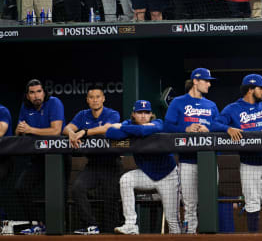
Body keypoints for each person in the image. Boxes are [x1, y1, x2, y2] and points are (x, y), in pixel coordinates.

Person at [216, 74, 262, 233]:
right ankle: (253, 237)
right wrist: (227, 128)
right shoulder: (233, 108)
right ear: (250, 89)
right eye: (261, 88)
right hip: (249, 163)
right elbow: (214, 124)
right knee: (252, 203)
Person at [164, 68, 229, 234]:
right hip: (187, 160)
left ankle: (209, 234)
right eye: (206, 81)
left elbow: (218, 126)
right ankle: (190, 234)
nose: (209, 84)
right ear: (195, 81)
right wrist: (185, 128)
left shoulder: (211, 105)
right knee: (190, 204)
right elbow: (167, 126)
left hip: (209, 160)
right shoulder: (178, 102)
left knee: (208, 201)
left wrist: (209, 129)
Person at [107, 100, 181, 235]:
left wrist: (123, 128)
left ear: (151, 114)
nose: (143, 116)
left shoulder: (158, 122)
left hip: (168, 176)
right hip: (147, 175)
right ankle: (130, 224)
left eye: (146, 112)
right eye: (139, 112)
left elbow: (143, 130)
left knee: (173, 222)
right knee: (126, 180)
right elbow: (110, 133)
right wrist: (128, 128)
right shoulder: (129, 124)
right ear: (133, 114)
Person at [62, 84, 121, 235]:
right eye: (91, 97)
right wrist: (71, 133)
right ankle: (91, 225)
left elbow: (109, 128)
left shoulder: (112, 113)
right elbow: (66, 127)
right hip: (93, 165)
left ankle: (109, 232)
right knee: (77, 188)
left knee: (110, 200)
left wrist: (85, 131)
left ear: (103, 99)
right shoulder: (82, 115)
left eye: (98, 97)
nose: (95, 100)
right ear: (87, 100)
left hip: (111, 164)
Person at [15, 79, 65, 235]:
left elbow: (55, 131)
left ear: (44, 92)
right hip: (38, 158)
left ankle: (62, 228)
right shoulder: (25, 107)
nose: (36, 95)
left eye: (38, 91)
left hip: (57, 157)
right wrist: (21, 130)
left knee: (58, 193)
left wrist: (30, 129)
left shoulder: (54, 102)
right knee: (21, 187)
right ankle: (37, 223)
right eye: (32, 92)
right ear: (28, 95)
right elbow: (18, 133)